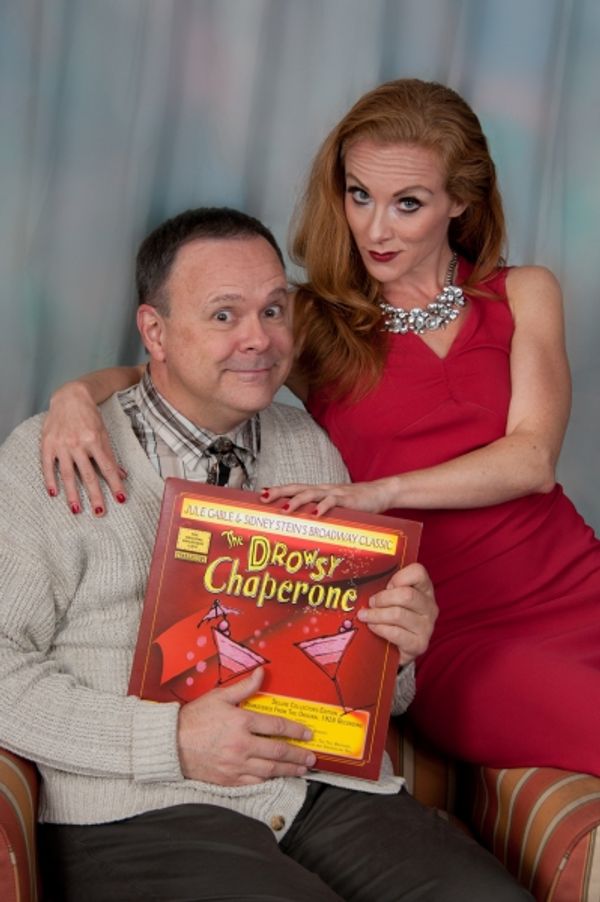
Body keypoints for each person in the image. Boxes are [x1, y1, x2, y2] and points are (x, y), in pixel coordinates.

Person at [41, 78, 600, 781]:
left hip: (575, 582)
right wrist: (73, 398)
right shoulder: (310, 321)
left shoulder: (524, 292)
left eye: (408, 204)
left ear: (461, 202)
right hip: (445, 630)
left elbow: (531, 460)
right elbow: (178, 369)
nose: (374, 228)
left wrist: (374, 492)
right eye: (359, 194)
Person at [0, 206, 531, 902]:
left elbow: (380, 692)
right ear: (154, 332)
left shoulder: (305, 441)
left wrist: (399, 647)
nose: (258, 338)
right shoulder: (56, 453)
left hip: (323, 788)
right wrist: (171, 740)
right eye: (223, 315)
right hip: (146, 804)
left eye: (274, 309)